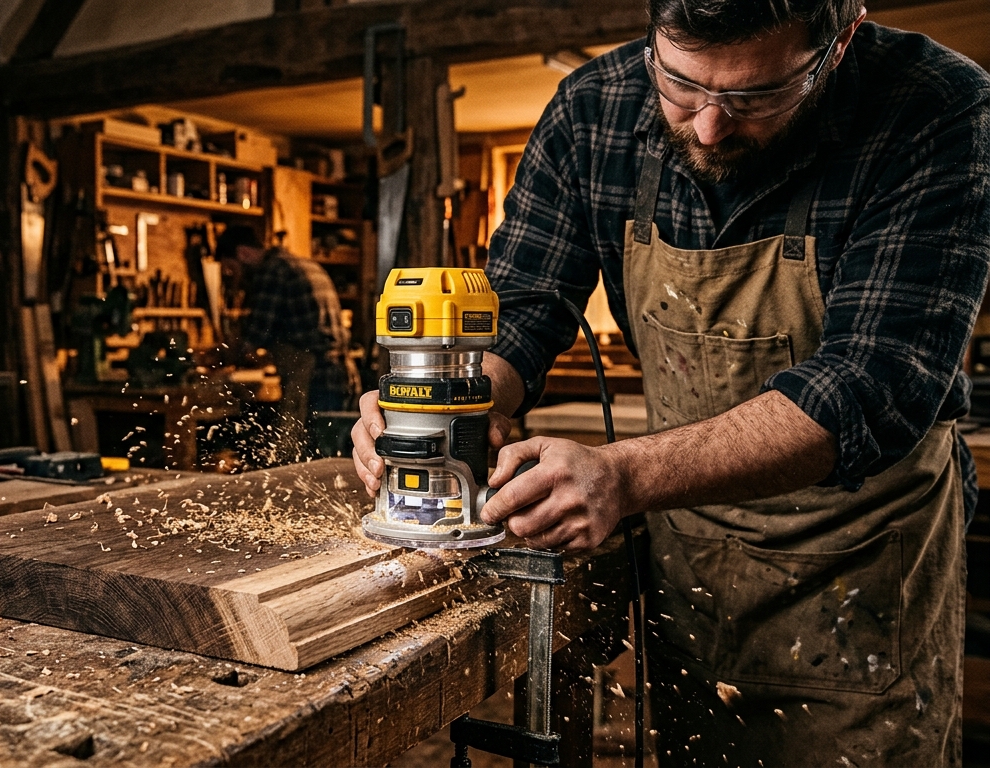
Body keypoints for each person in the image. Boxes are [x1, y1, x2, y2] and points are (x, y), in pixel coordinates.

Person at [352, 1, 990, 765]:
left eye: (754, 96)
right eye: (680, 85)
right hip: (690, 547)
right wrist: (448, 403)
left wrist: (625, 474)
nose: (710, 127)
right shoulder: (594, 106)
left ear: (840, 40)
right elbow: (521, 306)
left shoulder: (936, 105)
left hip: (860, 560)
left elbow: (876, 384)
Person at [217, 226, 357, 458]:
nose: (235, 278)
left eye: (232, 269)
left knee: (306, 460)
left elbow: (254, 336)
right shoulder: (305, 264)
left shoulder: (272, 272)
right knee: (331, 461)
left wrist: (224, 360)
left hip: (315, 378)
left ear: (242, 253)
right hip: (340, 373)